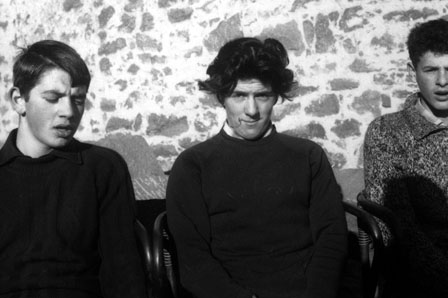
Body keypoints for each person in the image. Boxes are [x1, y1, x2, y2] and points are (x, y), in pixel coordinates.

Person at [166, 37, 348, 298]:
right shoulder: (193, 165)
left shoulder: (308, 156)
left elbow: (332, 239)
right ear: (222, 97)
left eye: (262, 95)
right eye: (239, 95)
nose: (251, 110)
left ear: (276, 97)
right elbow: (193, 260)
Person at [0, 40, 148, 298]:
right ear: (19, 100)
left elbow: (123, 273)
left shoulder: (102, 168)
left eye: (78, 99)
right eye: (52, 98)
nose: (68, 112)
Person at [363, 18, 448, 298]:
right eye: (430, 70)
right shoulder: (387, 132)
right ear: (412, 70)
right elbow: (398, 232)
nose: (442, 81)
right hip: (426, 281)